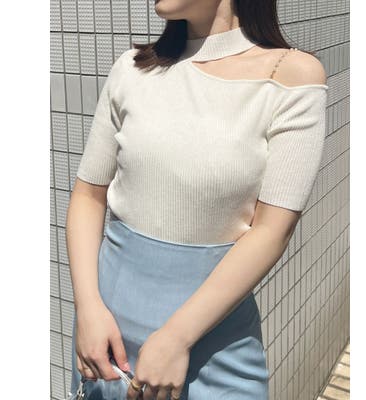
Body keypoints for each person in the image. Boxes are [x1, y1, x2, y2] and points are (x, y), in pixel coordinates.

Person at [65, 1, 328, 399]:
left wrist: (176, 337)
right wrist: (87, 309)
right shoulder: (131, 69)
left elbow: (272, 230)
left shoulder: (290, 76)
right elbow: (88, 195)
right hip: (105, 341)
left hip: (213, 348)